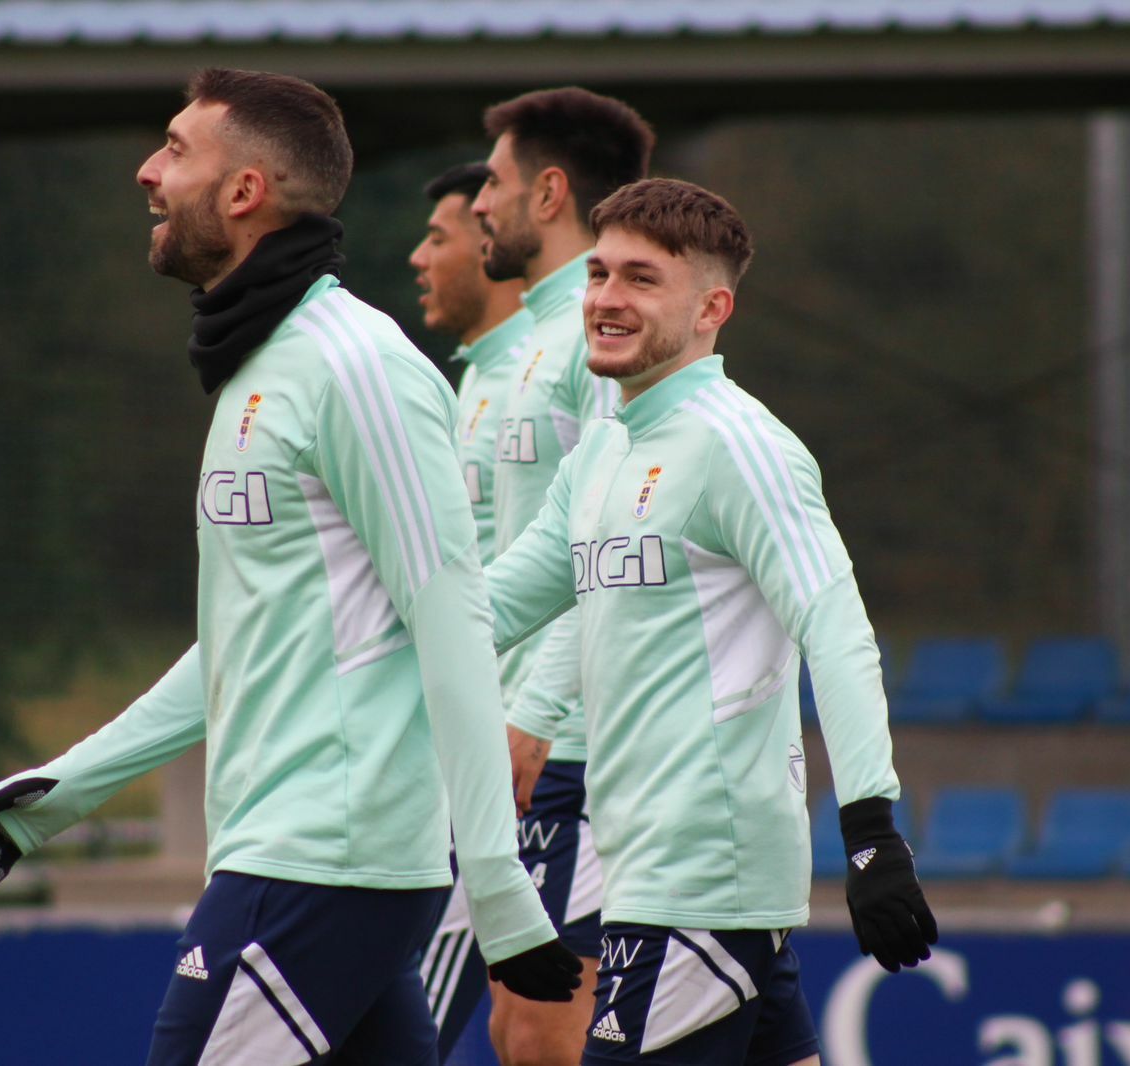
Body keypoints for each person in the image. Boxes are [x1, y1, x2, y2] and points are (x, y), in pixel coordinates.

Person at [0, 68, 578, 1065]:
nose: (148, 172)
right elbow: (244, 640)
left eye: (176, 150)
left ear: (245, 194)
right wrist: (59, 790)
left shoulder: (354, 366)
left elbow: (452, 619)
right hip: (302, 858)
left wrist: (496, 889)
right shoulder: (262, 367)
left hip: (323, 863)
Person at [485, 177, 937, 1063]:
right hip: (658, 875)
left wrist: (872, 834)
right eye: (601, 274)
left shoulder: (743, 445)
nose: (608, 299)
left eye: (643, 280)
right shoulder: (604, 449)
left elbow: (837, 631)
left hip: (693, 881)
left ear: (711, 307)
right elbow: (487, 609)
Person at [468, 86, 655, 1066]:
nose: (477, 207)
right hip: (526, 736)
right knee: (519, 1023)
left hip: (580, 744)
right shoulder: (535, 338)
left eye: (492, 184)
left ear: (548, 192)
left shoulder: (606, 329)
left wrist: (536, 706)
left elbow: (620, 544)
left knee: (546, 1025)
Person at [405, 161, 537, 1059]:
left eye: (442, 237)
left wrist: (534, 715)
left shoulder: (556, 368)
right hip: (470, 750)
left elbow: (573, 563)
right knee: (530, 1032)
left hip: (521, 766)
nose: (420, 257)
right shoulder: (472, 384)